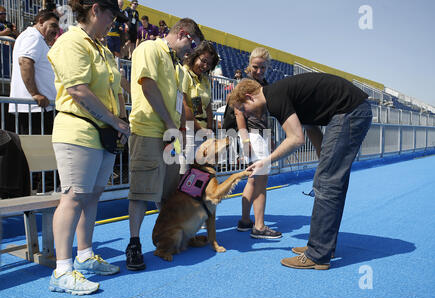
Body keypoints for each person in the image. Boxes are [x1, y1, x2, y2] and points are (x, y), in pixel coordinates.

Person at [228, 73, 372, 270]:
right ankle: (324, 247)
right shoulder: (285, 96)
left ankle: (317, 254)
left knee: (328, 184)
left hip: (350, 112)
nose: (247, 116)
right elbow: (312, 130)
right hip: (350, 111)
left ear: (249, 97)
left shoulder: (275, 97)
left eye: (244, 110)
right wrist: (324, 165)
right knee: (328, 180)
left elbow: (296, 139)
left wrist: (265, 161)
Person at [46, 0, 130, 295]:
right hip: (77, 130)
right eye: (111, 15)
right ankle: (62, 270)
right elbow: (77, 90)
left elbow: (115, 90)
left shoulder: (102, 48)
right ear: (95, 10)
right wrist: (116, 122)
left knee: (92, 197)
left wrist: (120, 120)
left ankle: (84, 256)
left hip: (103, 132)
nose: (114, 23)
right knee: (73, 196)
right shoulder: (71, 41)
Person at [126, 18, 204, 271]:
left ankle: (169, 236)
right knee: (141, 192)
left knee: (169, 192)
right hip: (148, 131)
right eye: (191, 46)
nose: (190, 53)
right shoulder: (149, 49)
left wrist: (180, 129)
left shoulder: (177, 67)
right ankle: (134, 243)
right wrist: (171, 124)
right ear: (182, 34)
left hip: (171, 137)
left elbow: (180, 101)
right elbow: (148, 86)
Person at [234, 47, 282, 239]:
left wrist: (269, 139)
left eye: (263, 67)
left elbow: (265, 116)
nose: (259, 71)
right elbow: (239, 113)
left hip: (262, 135)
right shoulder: (246, 84)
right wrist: (246, 140)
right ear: (249, 65)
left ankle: (246, 221)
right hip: (253, 136)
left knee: (253, 180)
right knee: (261, 182)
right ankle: (259, 227)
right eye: (256, 67)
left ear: (268, 66)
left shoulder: (265, 84)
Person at [8, 10, 59, 135]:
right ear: (41, 21)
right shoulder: (33, 36)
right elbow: (25, 62)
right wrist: (35, 93)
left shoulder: (35, 38)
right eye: (53, 25)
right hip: (35, 109)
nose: (56, 30)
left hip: (39, 109)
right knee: (37, 152)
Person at [180, 41, 219, 174]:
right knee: (186, 172)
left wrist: (209, 129)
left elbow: (207, 106)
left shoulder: (205, 80)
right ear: (195, 56)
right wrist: (199, 129)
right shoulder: (184, 73)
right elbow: (184, 105)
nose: (205, 66)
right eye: (203, 61)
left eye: (209, 64)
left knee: (203, 173)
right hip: (189, 131)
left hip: (203, 132)